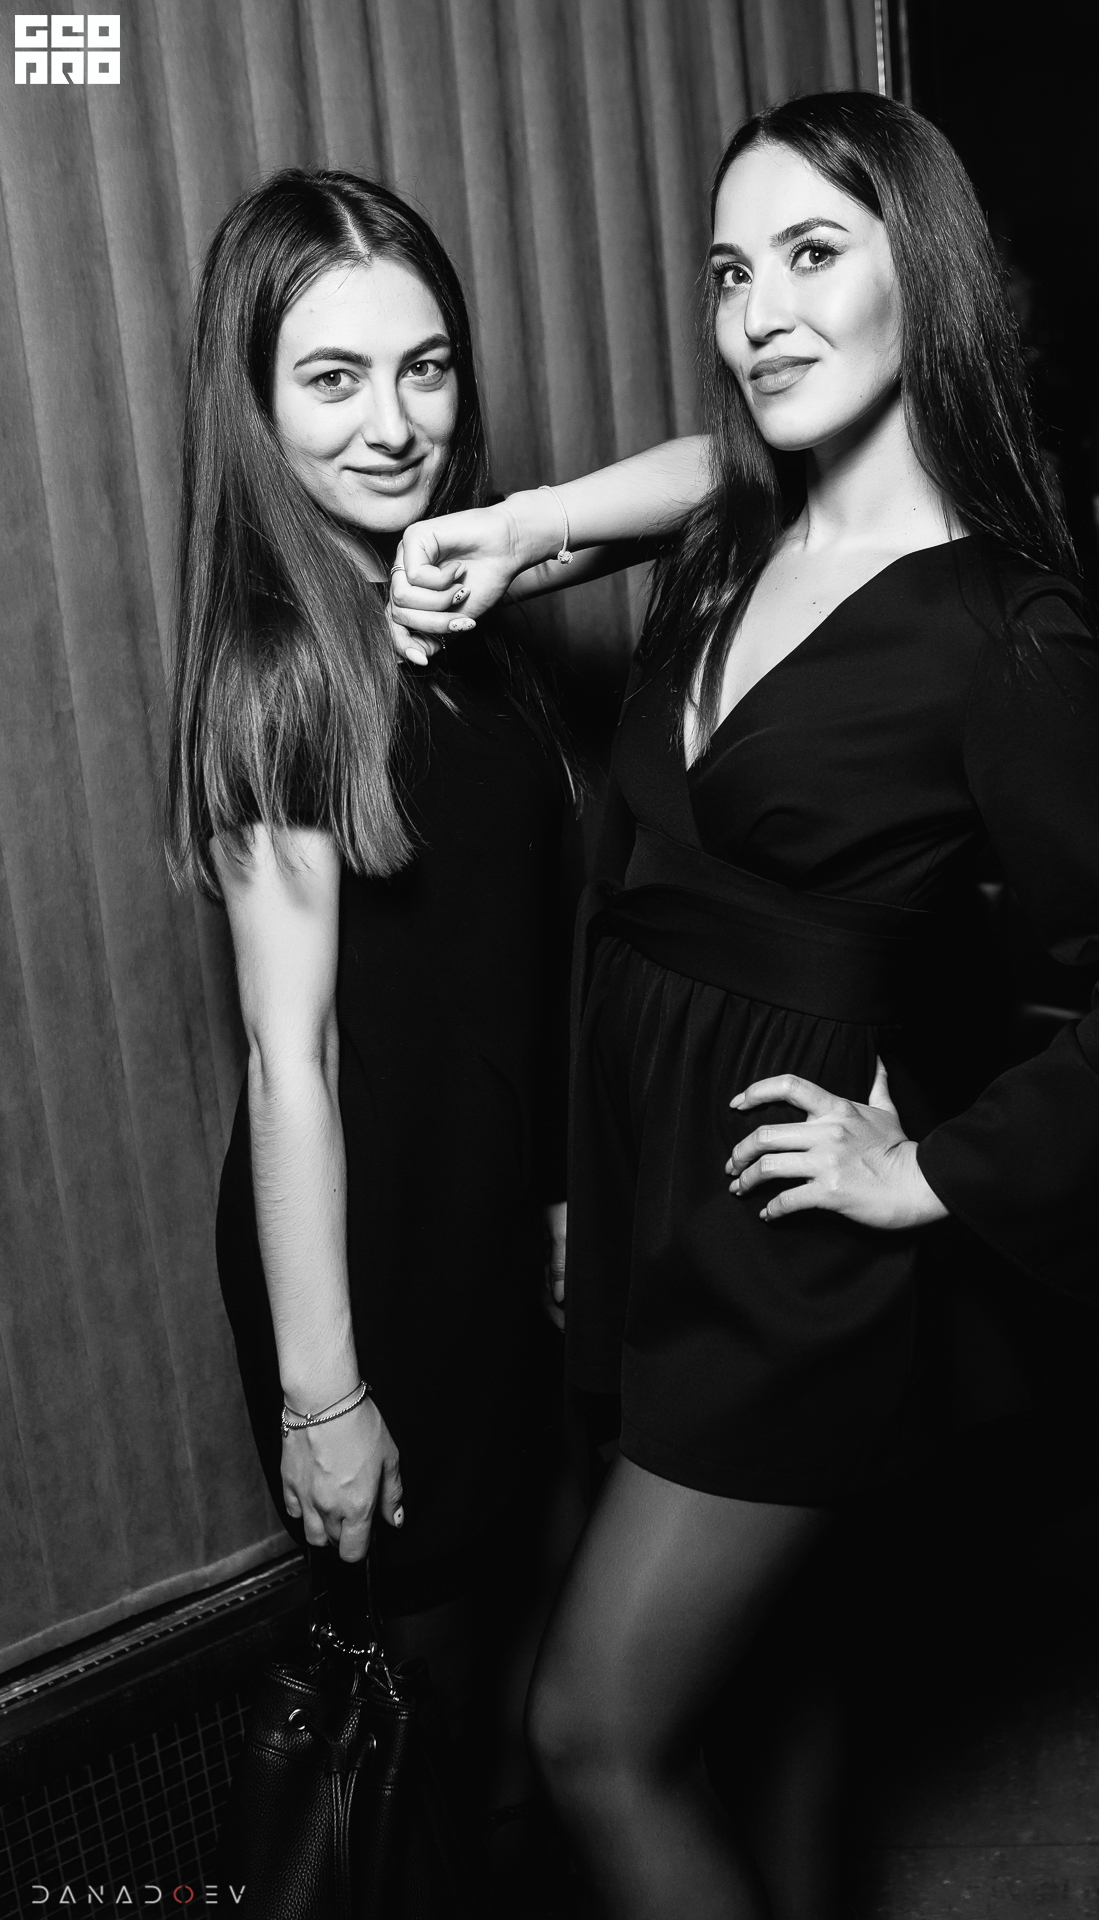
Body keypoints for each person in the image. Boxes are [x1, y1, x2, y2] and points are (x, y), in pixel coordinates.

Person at [389, 94, 1099, 1917]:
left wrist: (931, 1171)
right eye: (730, 271)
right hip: (647, 1194)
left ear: (919, 273)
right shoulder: (733, 536)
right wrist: (523, 527)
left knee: (595, 1734)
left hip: (792, 1242)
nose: (759, 312)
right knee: (766, 1706)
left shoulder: (998, 631)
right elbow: (698, 470)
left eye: (811, 254)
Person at [163, 168, 707, 1834]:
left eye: (427, 366)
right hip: (375, 1258)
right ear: (255, 406)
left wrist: (524, 530)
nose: (395, 424)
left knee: (515, 1703)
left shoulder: (455, 597)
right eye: (333, 378)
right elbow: (292, 1058)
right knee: (430, 1741)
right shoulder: (281, 668)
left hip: (492, 1220)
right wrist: (325, 1396)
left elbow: (732, 474)